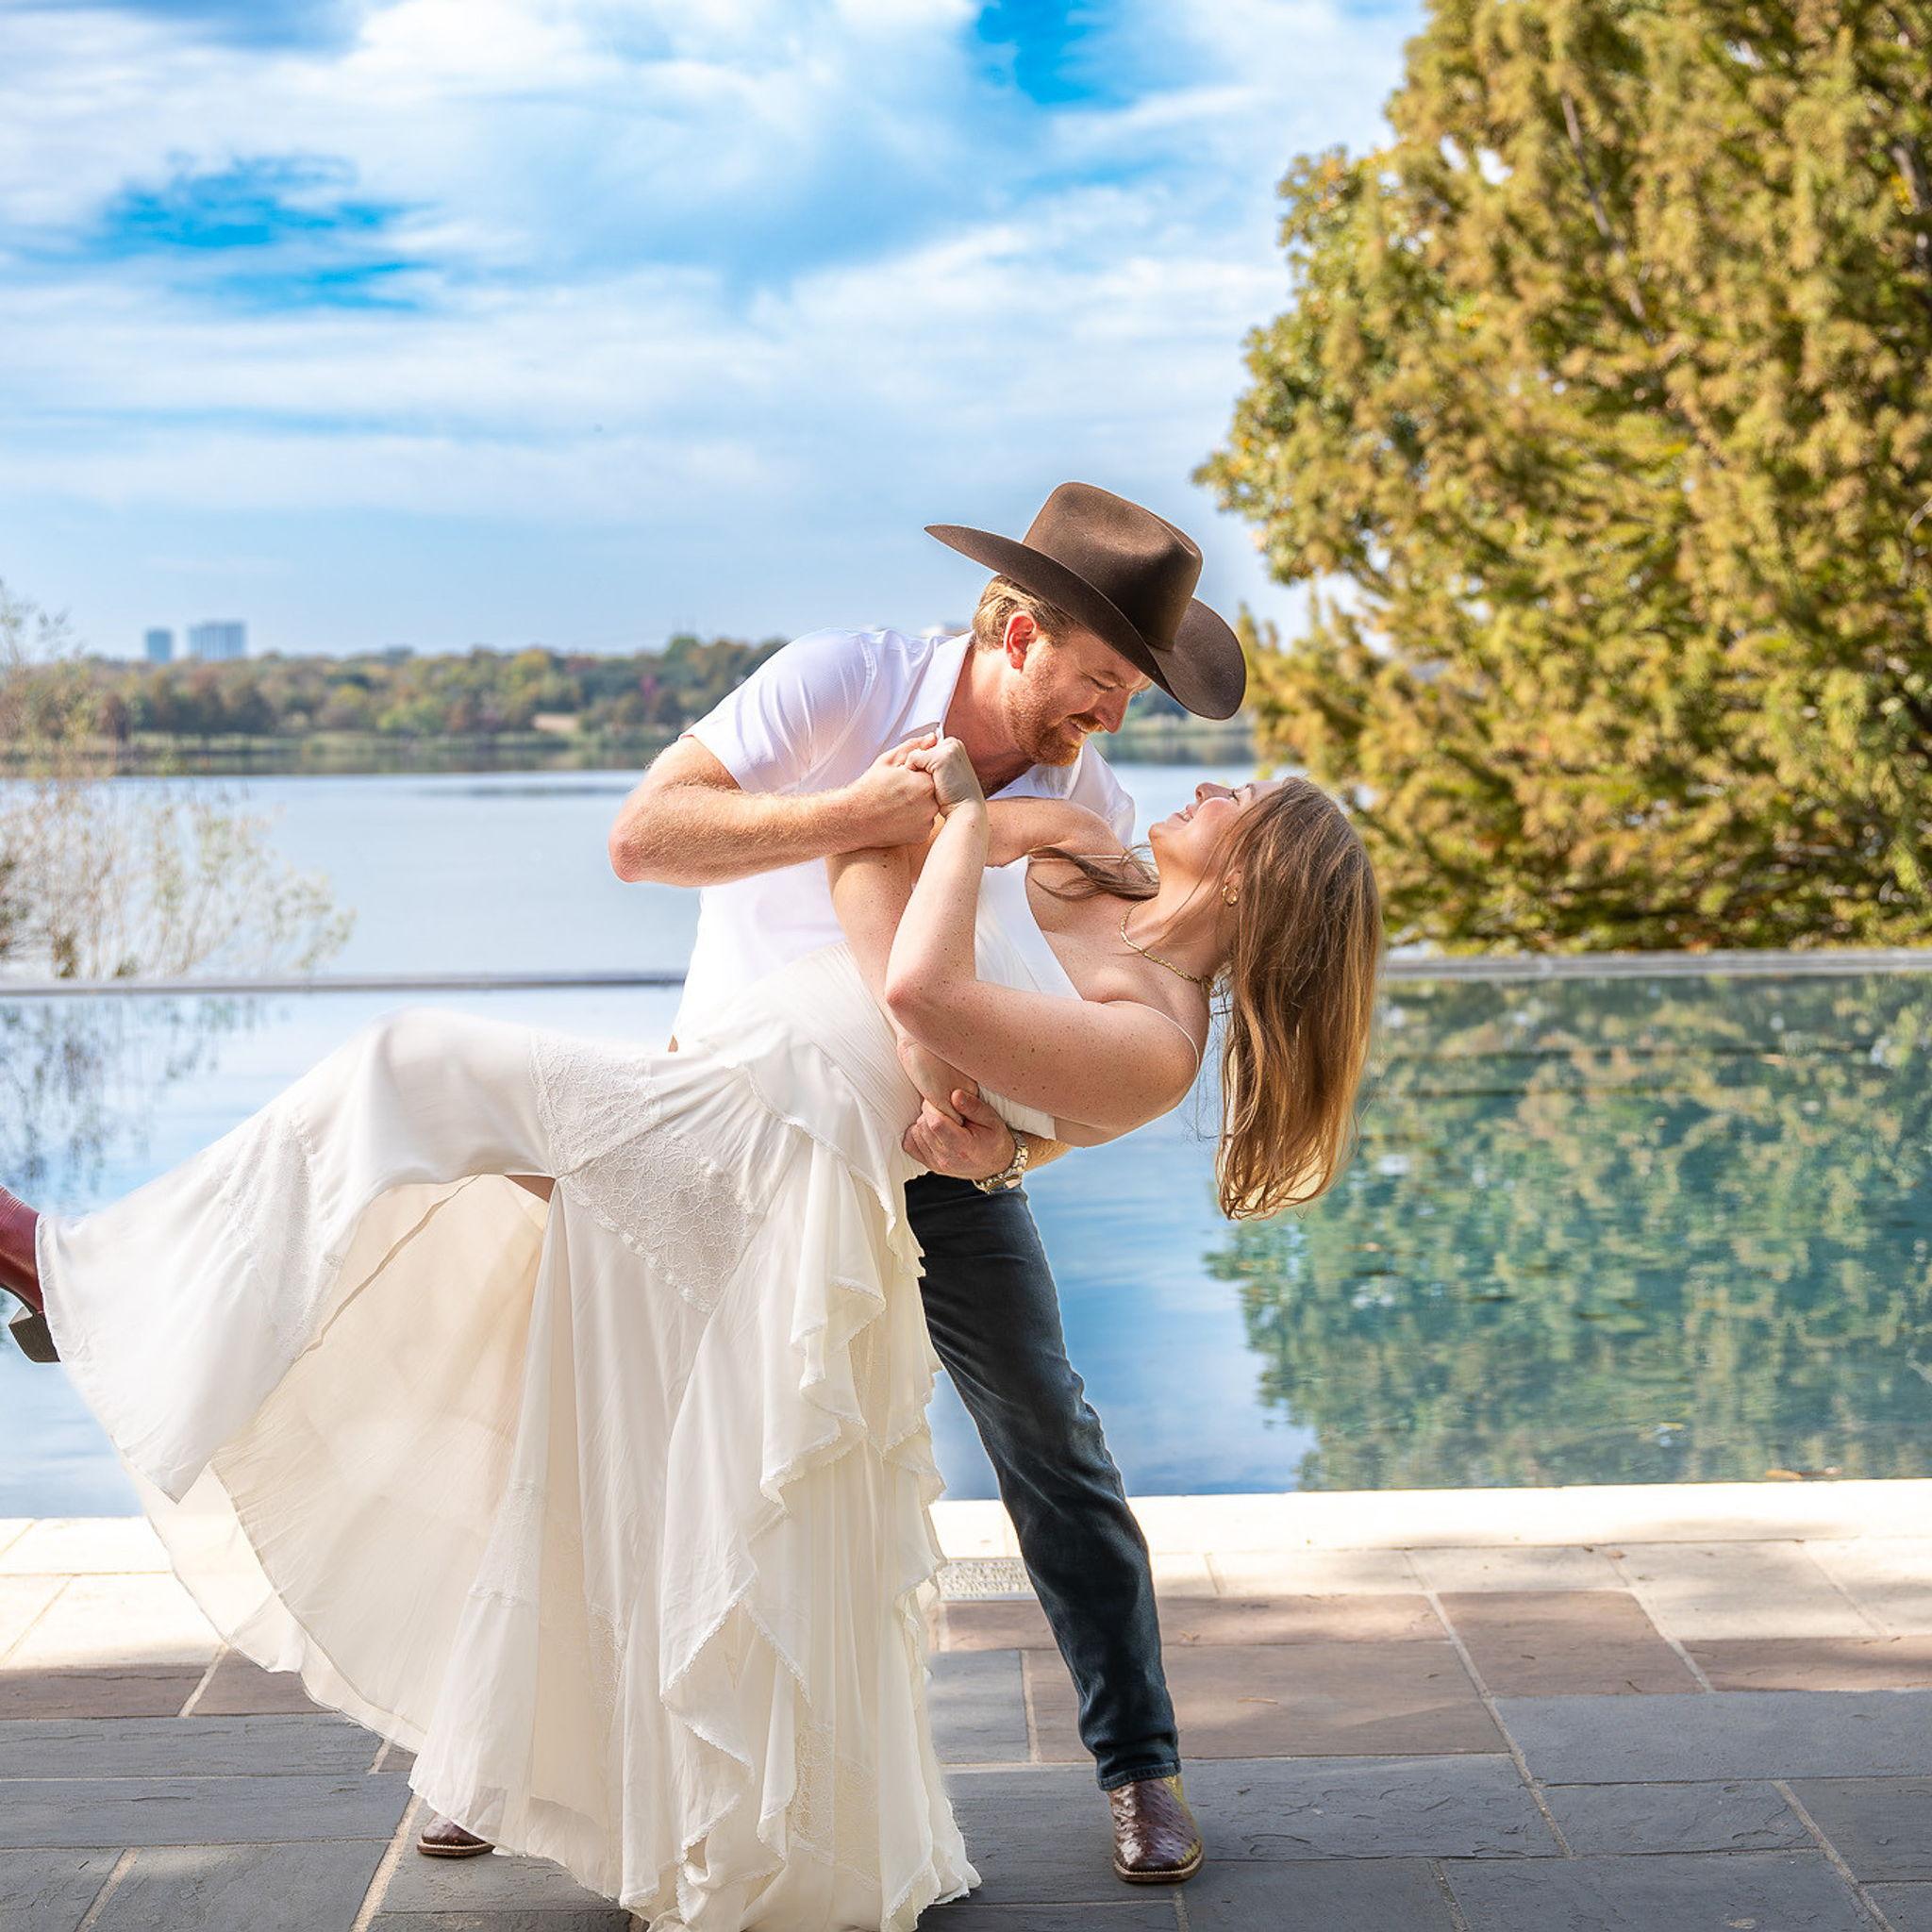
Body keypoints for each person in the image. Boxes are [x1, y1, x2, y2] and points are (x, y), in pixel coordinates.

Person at [0, 495, 1385, 1932]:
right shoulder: (851, 688)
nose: (1113, 723)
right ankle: (513, 1757)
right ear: (1020, 630)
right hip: (730, 1096)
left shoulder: (1098, 840)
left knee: (1037, 1427)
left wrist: (988, 1120)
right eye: (1100, 681)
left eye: (1129, 697)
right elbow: (659, 841)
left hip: (898, 1157)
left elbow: (1034, 1060)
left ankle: (1140, 1766)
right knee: (606, 1407)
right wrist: (900, 832)